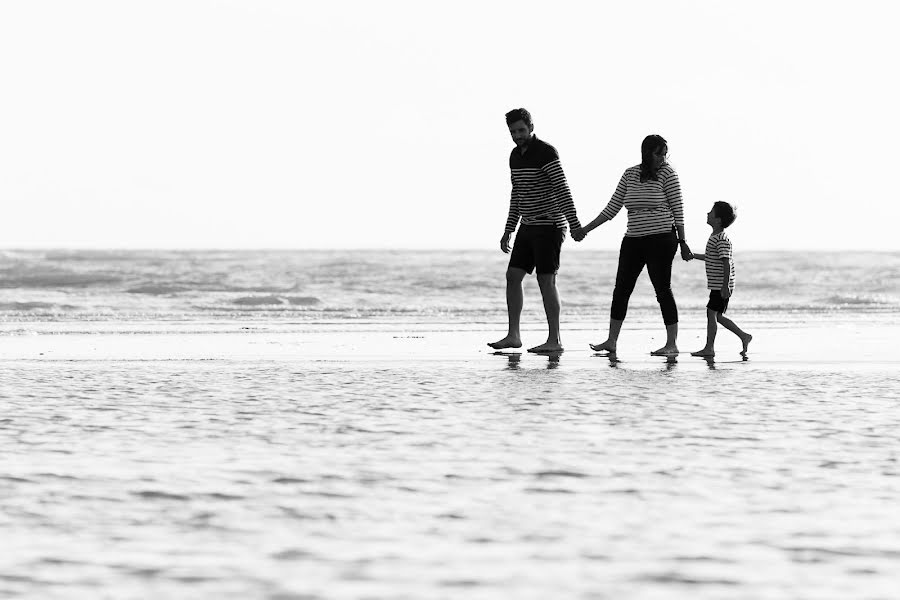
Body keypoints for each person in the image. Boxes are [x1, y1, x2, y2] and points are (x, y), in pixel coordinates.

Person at [579, 135, 692, 356]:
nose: (662, 158)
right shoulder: (630, 174)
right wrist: (585, 229)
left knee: (662, 290)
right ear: (647, 152)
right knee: (621, 290)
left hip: (661, 239)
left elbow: (678, 210)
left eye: (665, 153)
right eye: (658, 153)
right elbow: (612, 208)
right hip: (633, 239)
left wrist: (683, 241)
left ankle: (672, 344)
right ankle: (611, 341)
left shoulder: (668, 173)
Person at [488, 108, 585, 354]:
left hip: (550, 225)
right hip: (528, 225)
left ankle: (555, 339)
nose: (517, 135)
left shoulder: (546, 152)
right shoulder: (514, 156)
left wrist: (574, 223)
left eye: (521, 130)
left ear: (531, 127)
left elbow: (563, 189)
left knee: (546, 280)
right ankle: (514, 335)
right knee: (513, 276)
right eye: (513, 132)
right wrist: (509, 229)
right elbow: (517, 193)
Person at [687, 202, 752, 357]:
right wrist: (693, 256)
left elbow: (726, 262)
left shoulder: (721, 239)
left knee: (711, 313)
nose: (707, 213)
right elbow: (711, 257)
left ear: (718, 220)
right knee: (717, 316)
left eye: (711, 212)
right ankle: (744, 336)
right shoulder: (715, 237)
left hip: (721, 285)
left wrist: (725, 286)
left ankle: (709, 348)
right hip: (717, 284)